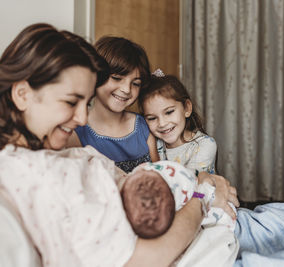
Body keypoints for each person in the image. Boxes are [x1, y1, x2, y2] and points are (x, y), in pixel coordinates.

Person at [0, 23, 238, 267]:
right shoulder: (39, 176)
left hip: (198, 219)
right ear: (22, 94)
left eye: (86, 102)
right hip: (199, 232)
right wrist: (203, 194)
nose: (82, 118)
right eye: (71, 102)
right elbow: (144, 259)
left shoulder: (56, 157)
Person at [67, 36, 159, 173]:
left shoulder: (144, 126)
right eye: (116, 78)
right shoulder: (76, 132)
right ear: (96, 75)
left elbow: (162, 175)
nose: (126, 89)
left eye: (136, 83)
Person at [122, 161, 236, 239]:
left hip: (219, 205)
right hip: (226, 222)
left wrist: (204, 187)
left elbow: (203, 193)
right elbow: (202, 194)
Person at [138, 69, 217, 174]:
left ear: (187, 108)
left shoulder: (205, 144)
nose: (162, 123)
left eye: (169, 112)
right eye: (152, 118)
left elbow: (187, 183)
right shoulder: (153, 144)